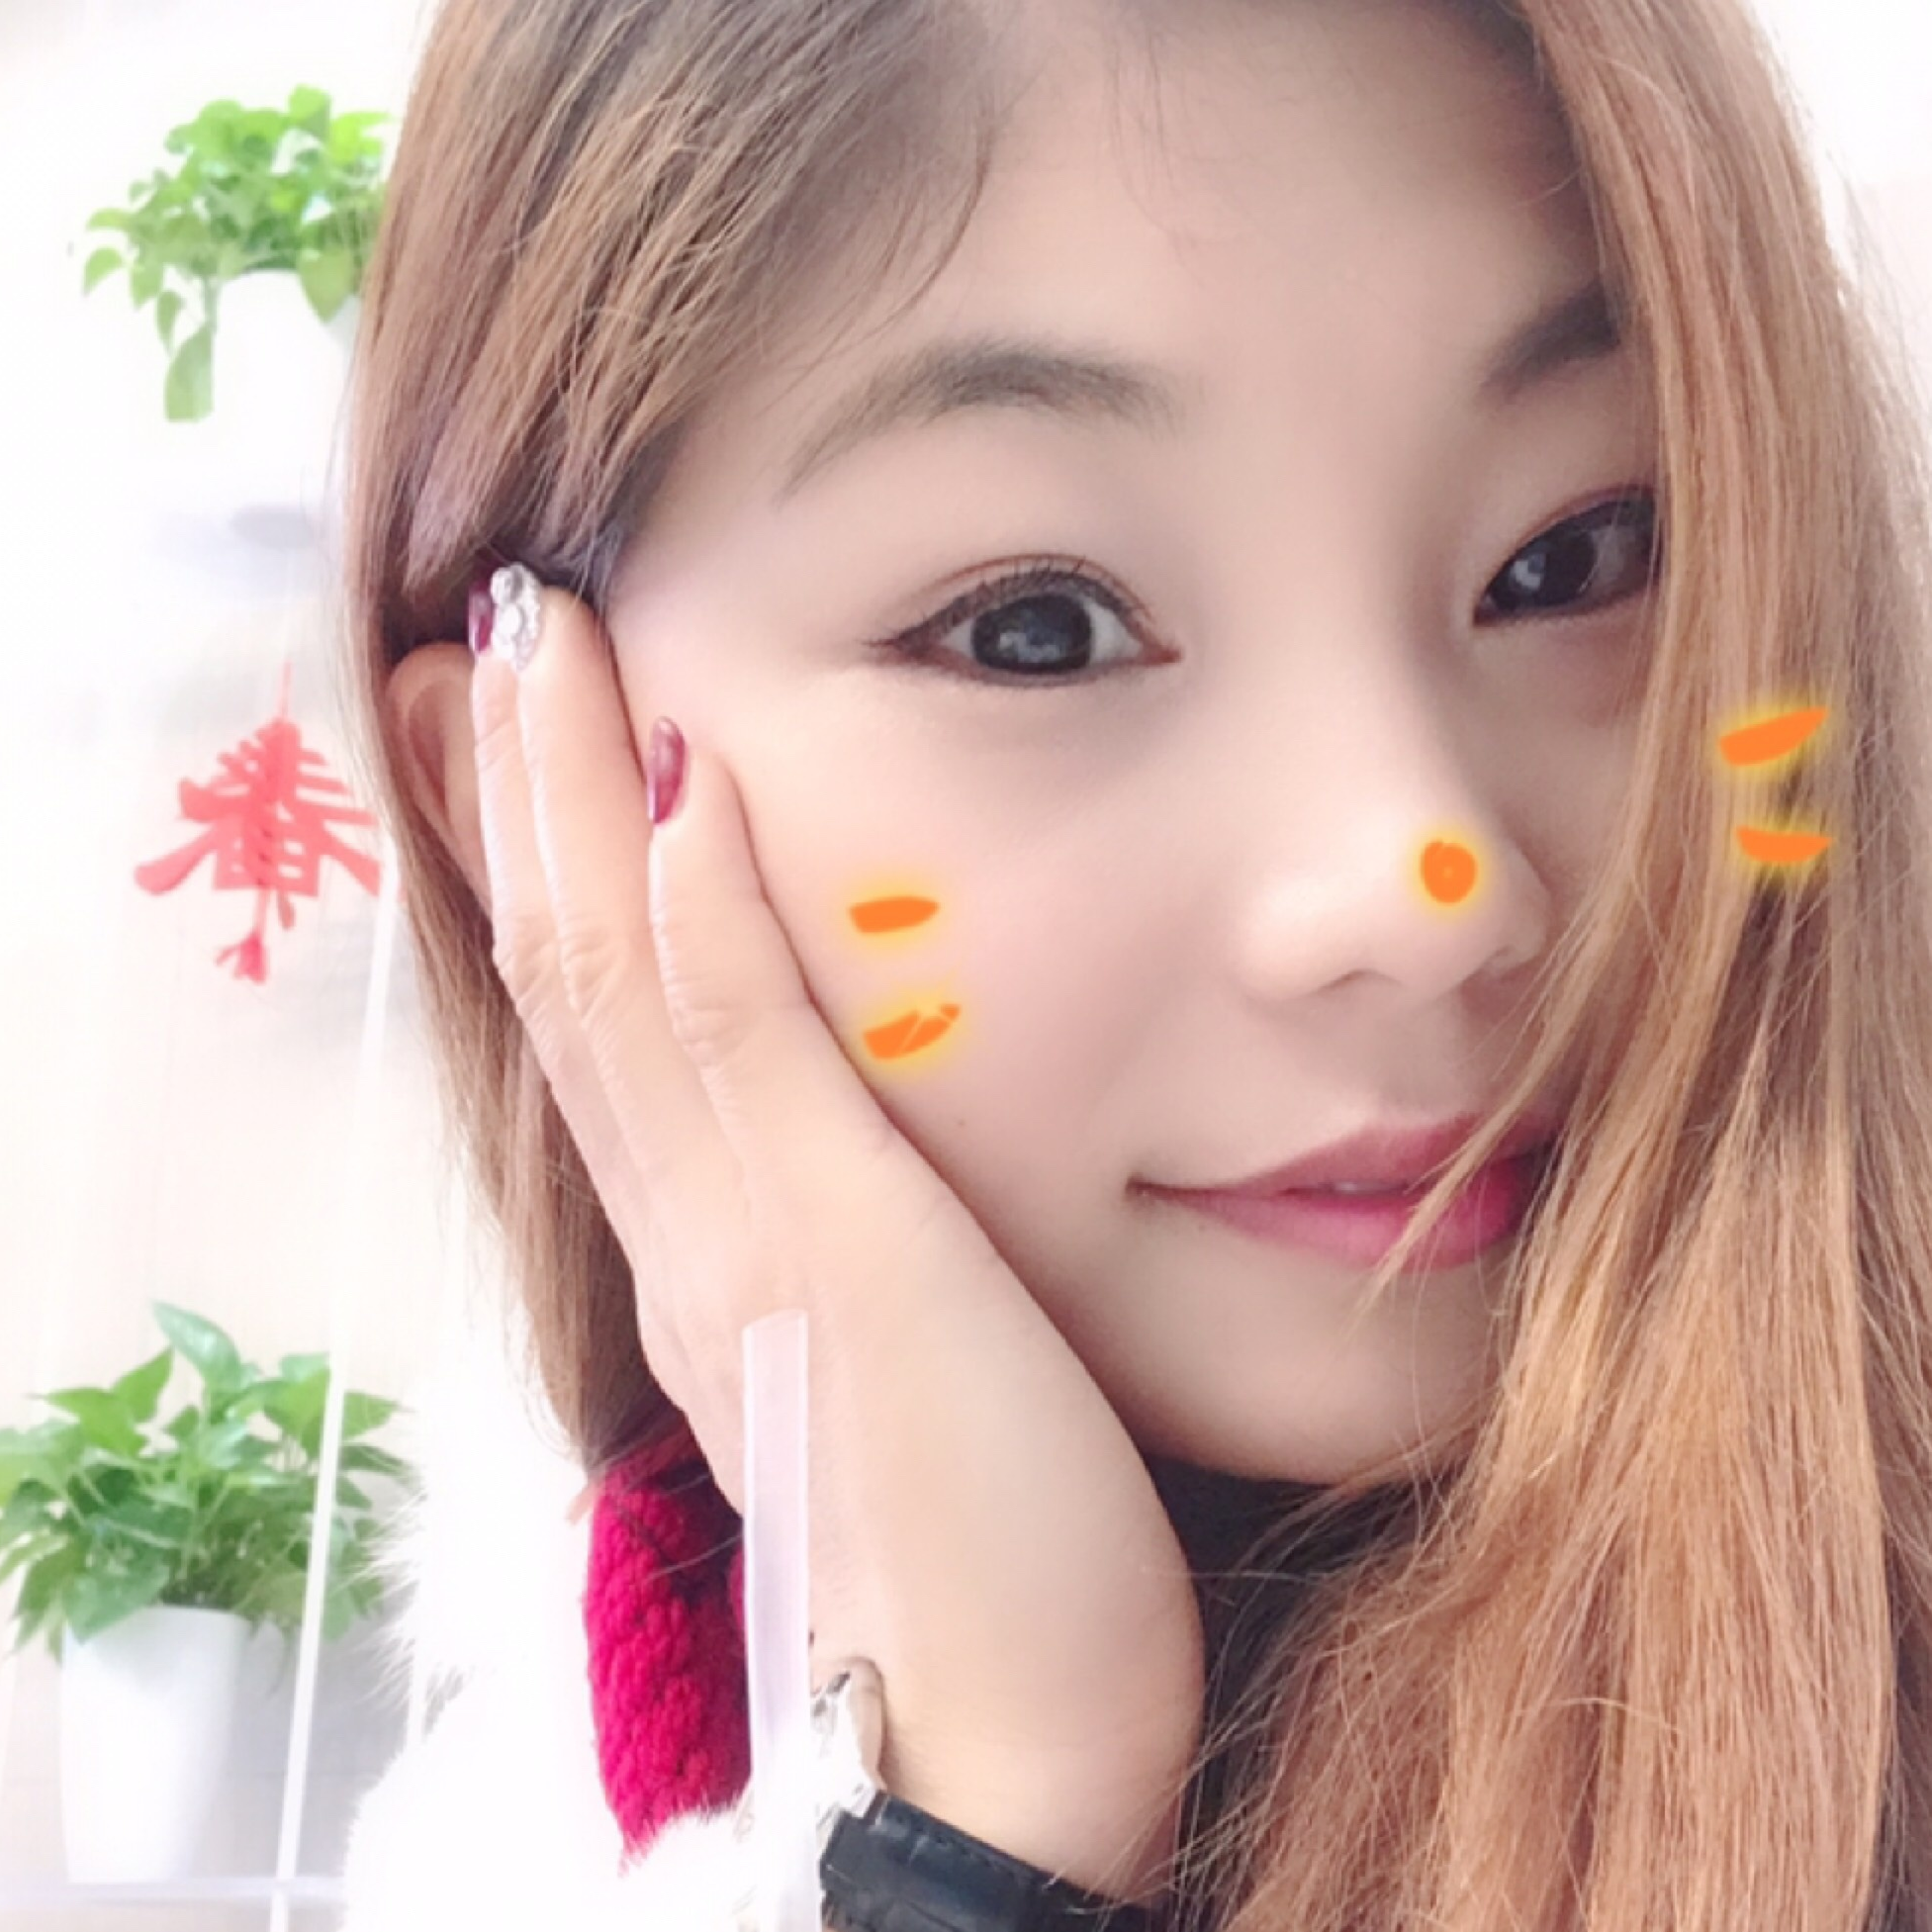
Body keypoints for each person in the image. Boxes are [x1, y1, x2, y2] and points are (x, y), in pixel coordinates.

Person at [335, 0, 1932, 1923]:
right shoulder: (521, 1833)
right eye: (1037, 629)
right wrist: (987, 1809)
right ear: (528, 796)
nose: (1421, 885)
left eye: (1578, 556)